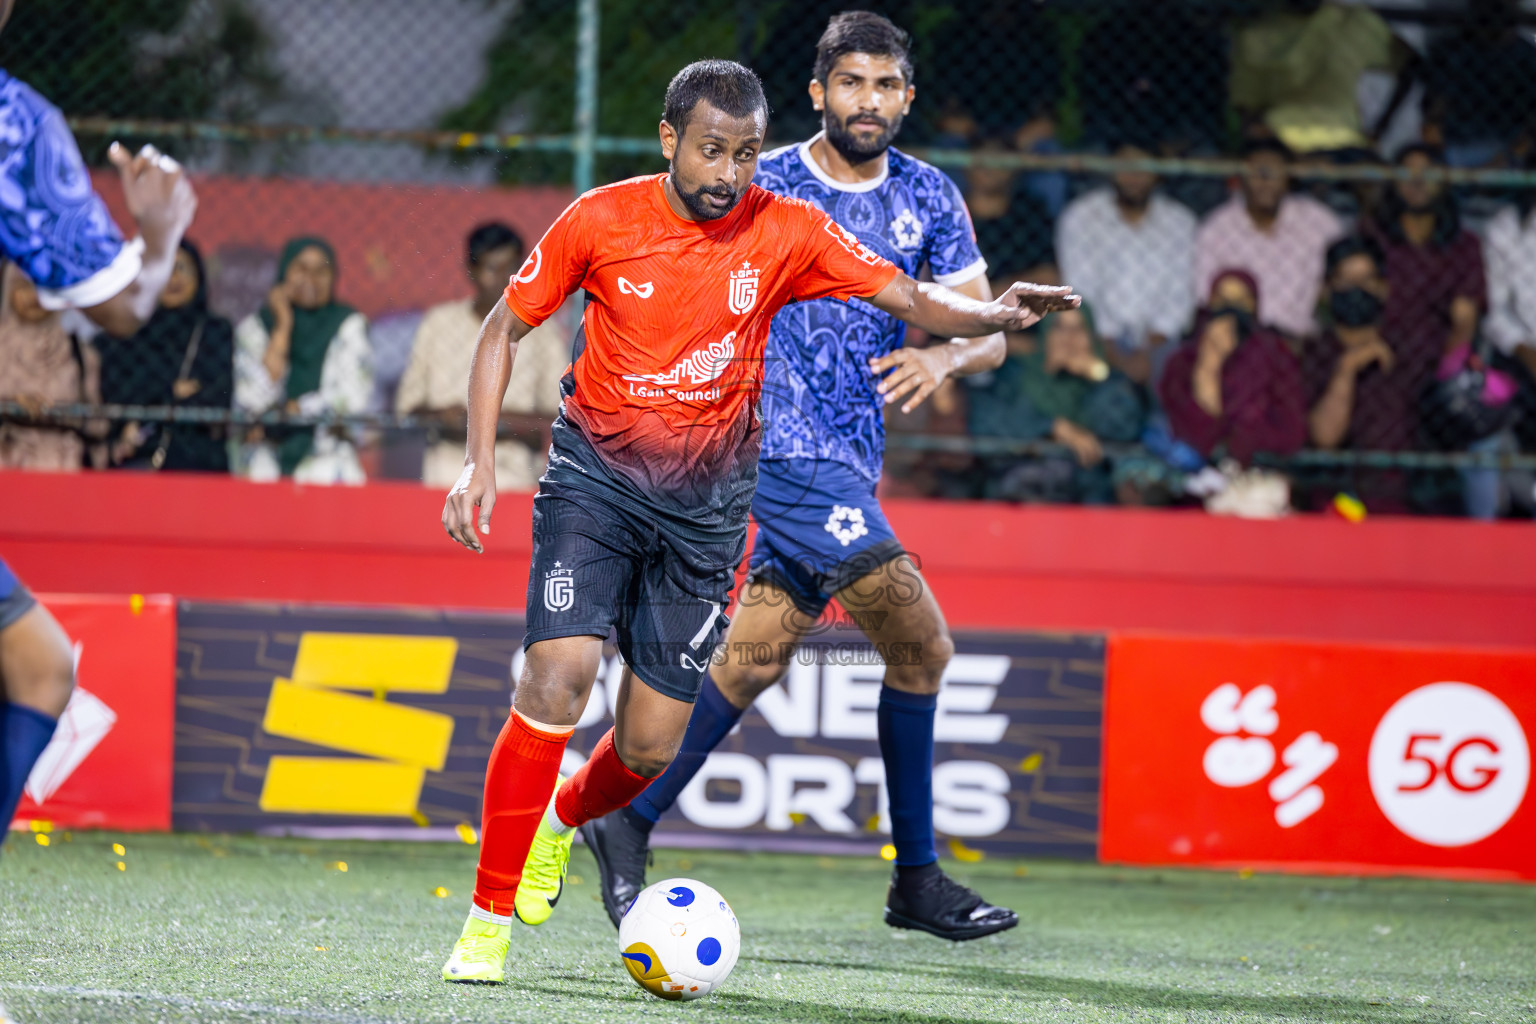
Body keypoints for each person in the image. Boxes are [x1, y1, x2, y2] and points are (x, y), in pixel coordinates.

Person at [436, 57, 1076, 982]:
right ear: (669, 141)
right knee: (560, 674)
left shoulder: (785, 230)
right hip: (598, 482)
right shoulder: (601, 219)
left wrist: (993, 313)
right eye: (708, 151)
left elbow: (907, 295)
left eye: (741, 153)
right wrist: (479, 459)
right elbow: (503, 330)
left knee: (650, 744)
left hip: (706, 513)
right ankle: (486, 925)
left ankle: (567, 818)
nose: (727, 173)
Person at [579, 12, 1017, 944]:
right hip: (771, 450)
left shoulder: (931, 197)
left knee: (751, 661)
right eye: (851, 83)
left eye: (887, 84)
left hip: (851, 464)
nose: (870, 101)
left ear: (907, 95)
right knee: (922, 643)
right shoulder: (759, 178)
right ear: (818, 93)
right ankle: (919, 879)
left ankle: (628, 816)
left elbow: (981, 329)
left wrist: (945, 361)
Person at [0, 0, 198, 844]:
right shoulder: (14, 123)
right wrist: (161, 232)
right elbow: (121, 307)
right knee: (40, 674)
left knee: (38, 666)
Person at [395, 223, 566, 491]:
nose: (502, 279)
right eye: (491, 268)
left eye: (511, 268)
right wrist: (445, 417)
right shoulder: (438, 324)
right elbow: (408, 408)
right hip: (446, 471)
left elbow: (560, 413)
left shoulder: (543, 331)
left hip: (518, 474)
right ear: (471, 271)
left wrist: (494, 420)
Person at [968, 304, 1144, 504]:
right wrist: (1052, 426)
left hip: (1087, 495)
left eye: (1079, 329)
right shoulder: (1017, 373)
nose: (1069, 338)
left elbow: (1126, 428)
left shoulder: (1108, 383)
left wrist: (1098, 376)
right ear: (1045, 335)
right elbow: (986, 421)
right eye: (1059, 327)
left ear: (1091, 338)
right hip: (1022, 491)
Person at [233, 237, 373, 484]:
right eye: (301, 269)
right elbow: (252, 400)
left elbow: (353, 399)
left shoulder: (348, 324)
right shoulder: (256, 328)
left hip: (328, 461)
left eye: (322, 271)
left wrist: (298, 409)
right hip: (265, 462)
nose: (311, 278)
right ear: (284, 272)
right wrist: (282, 328)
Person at [1056, 140, 1196, 385]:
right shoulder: (1082, 217)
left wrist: (1149, 351)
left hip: (1164, 341)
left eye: (1143, 166)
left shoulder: (1181, 222)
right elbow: (1080, 289)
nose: (1134, 175)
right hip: (1097, 337)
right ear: (1111, 169)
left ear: (1158, 173)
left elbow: (1181, 295)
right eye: (1126, 165)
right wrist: (1112, 350)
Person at [97, 241, 233, 472]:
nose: (174, 277)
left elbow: (217, 398)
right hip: (137, 465)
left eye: (182, 268)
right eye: (165, 269)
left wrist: (151, 399)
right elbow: (114, 397)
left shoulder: (214, 331)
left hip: (200, 465)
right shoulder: (123, 333)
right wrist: (172, 392)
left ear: (198, 276)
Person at [1300, 236, 1413, 512]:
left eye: (1366, 281)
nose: (1357, 291)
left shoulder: (1409, 350)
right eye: (1346, 281)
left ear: (1384, 288)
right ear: (1326, 290)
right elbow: (1325, 438)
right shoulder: (1312, 354)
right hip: (1331, 506)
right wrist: (1346, 370)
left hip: (1402, 506)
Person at [1194, 138, 1343, 340]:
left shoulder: (1319, 223)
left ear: (1289, 176)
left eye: (1273, 172)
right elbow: (1206, 298)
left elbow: (1345, 274)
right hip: (1241, 341)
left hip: (1304, 340)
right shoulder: (1216, 229)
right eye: (1257, 172)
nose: (1265, 181)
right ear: (1241, 177)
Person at [1161, 268, 1308, 465]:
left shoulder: (1276, 357)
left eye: (1242, 301)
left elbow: (1291, 432)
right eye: (1222, 300)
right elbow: (1189, 433)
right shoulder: (1183, 362)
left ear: (1255, 306)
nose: (1231, 309)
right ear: (1210, 303)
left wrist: (1241, 439)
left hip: (1263, 475)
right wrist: (1209, 365)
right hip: (1195, 476)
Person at [1229, 0, 1406, 155]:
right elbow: (1248, 104)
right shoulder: (1258, 34)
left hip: (1344, 137)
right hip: (1283, 140)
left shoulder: (1356, 21)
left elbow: (1409, 63)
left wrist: (1380, 128)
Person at [1420, 0, 1536, 168]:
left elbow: (1529, 132)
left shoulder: (1527, 59)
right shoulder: (1453, 53)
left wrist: (1505, 159)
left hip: (1507, 152)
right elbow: (1433, 117)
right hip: (1454, 148)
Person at [0, 263, 94, 470]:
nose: (34, 297)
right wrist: (10, 406)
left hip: (66, 467)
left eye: (42, 289)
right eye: (23, 287)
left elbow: (97, 423)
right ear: (8, 290)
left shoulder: (78, 352)